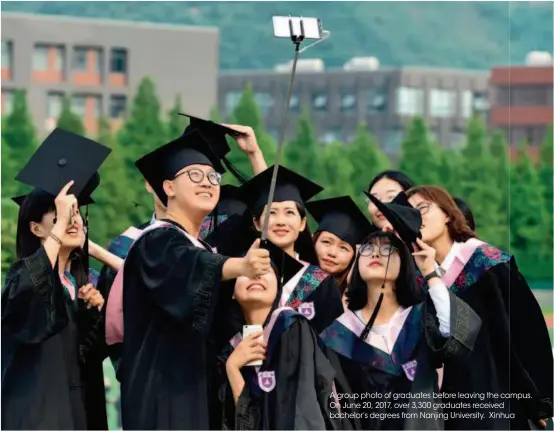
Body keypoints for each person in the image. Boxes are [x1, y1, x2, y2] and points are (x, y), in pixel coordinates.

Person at [113, 129, 271, 430]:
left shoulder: (201, 247)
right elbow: (191, 264)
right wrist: (239, 266)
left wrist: (254, 153)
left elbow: (267, 218)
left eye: (213, 177)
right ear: (168, 187)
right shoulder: (156, 242)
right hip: (164, 395)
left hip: (198, 390)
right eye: (195, 175)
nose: (207, 183)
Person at [406, 185, 553, 429]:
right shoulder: (417, 279)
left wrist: (536, 398)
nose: (416, 217)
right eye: (409, 213)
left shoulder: (488, 263)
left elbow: (526, 332)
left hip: (496, 394)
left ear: (447, 214)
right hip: (447, 404)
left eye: (423, 207)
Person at [2, 128, 111, 430]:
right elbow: (31, 300)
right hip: (35, 415)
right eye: (61, 213)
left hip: (74, 414)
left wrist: (93, 313)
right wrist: (60, 223)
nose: (73, 219)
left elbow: (89, 358)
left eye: (76, 213)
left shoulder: (74, 287)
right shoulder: (21, 277)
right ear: (36, 228)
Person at [320, 229, 481, 430]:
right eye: (368, 249)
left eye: (388, 249)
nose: (376, 254)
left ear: (404, 263)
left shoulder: (420, 318)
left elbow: (457, 334)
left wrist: (430, 273)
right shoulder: (337, 334)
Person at [218, 240, 350, 430]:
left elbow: (299, 411)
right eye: (247, 273)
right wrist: (232, 367)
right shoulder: (228, 348)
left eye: (266, 272)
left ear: (278, 290)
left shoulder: (291, 327)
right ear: (232, 293)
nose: (256, 277)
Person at [239, 165, 344, 333]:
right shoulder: (239, 273)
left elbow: (332, 344)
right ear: (257, 223)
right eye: (272, 213)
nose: (281, 221)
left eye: (289, 213)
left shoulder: (320, 282)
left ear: (302, 223)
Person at [306, 195, 373, 309]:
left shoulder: (362, 299)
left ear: (354, 256)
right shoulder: (291, 281)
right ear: (314, 241)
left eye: (343, 248)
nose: (332, 253)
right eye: (326, 242)